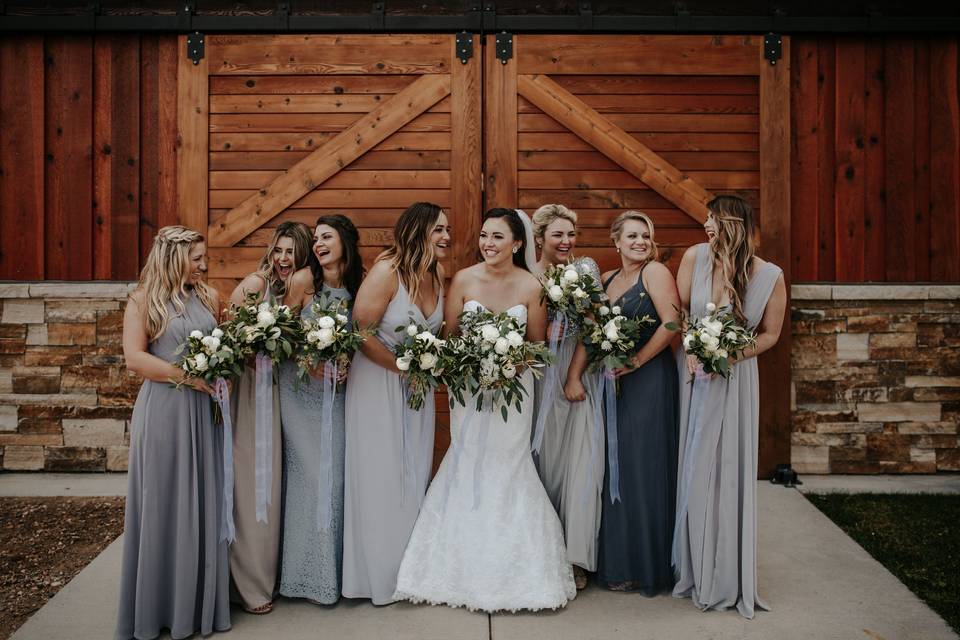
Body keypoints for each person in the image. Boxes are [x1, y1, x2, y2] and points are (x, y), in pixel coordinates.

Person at [393, 208, 576, 613]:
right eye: (484, 236)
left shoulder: (532, 285)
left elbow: (538, 348)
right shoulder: (463, 279)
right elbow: (452, 336)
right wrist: (476, 363)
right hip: (469, 391)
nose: (488, 244)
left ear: (517, 243)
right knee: (468, 455)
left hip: (514, 392)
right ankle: (452, 565)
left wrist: (507, 362)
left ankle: (520, 568)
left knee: (508, 461)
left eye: (497, 237)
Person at [672, 195, 786, 618]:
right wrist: (691, 347)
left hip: (736, 381)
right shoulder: (694, 258)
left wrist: (726, 357)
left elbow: (771, 333)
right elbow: (680, 310)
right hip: (695, 379)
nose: (705, 224)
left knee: (729, 471)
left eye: (712, 218)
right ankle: (694, 566)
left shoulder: (769, 275)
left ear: (731, 223)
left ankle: (725, 574)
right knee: (697, 466)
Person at [115, 226, 230, 639]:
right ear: (171, 257)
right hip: (164, 412)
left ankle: (197, 605)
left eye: (204, 257)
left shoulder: (208, 297)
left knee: (202, 500)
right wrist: (188, 377)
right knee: (163, 502)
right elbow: (134, 359)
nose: (204, 265)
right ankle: (159, 607)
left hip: (203, 413)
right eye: (196, 258)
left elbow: (223, 347)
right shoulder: (143, 299)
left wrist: (221, 374)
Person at [342, 202, 450, 605]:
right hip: (377, 384)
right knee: (380, 476)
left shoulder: (436, 273)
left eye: (447, 230)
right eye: (439, 230)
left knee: (412, 471)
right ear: (418, 231)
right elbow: (362, 331)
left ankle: (408, 570)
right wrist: (402, 368)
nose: (446, 237)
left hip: (415, 391)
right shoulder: (389, 271)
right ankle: (375, 578)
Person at [569, 211, 681, 595]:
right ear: (615, 241)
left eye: (646, 236)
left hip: (648, 379)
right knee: (612, 466)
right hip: (611, 382)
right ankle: (617, 563)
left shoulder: (656, 273)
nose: (641, 242)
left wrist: (635, 361)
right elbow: (591, 334)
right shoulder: (606, 280)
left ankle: (648, 566)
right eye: (632, 235)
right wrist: (574, 375)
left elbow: (671, 323)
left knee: (642, 465)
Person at [227, 221, 314, 614]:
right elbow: (226, 337)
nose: (283, 259)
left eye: (291, 252)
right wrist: (252, 352)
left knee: (276, 484)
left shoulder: (294, 290)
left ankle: (271, 573)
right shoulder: (255, 285)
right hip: (251, 396)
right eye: (278, 250)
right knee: (251, 482)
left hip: (280, 394)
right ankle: (249, 585)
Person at [278, 215, 364, 604]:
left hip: (342, 394)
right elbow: (281, 335)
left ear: (345, 241)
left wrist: (344, 364)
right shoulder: (302, 281)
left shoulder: (358, 285)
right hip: (301, 393)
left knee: (337, 478)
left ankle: (336, 572)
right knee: (310, 478)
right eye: (315, 239)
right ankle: (304, 576)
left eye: (326, 237)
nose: (318, 244)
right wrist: (312, 364)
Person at [529, 203, 604, 590]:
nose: (566, 241)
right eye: (557, 234)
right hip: (537, 378)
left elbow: (594, 327)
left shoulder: (585, 270)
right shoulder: (526, 276)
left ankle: (575, 557)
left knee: (577, 465)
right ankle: (544, 551)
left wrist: (573, 376)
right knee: (541, 464)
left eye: (571, 234)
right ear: (539, 238)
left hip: (575, 376)